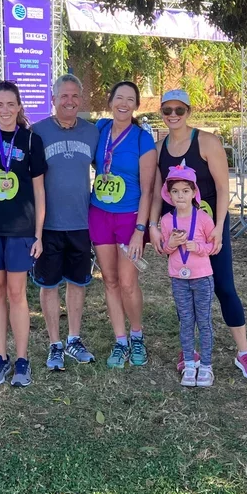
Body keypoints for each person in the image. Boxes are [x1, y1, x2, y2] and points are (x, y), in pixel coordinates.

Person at [149, 89, 247, 381]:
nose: (173, 116)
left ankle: (243, 352)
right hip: (177, 228)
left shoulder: (207, 142)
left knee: (224, 286)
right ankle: (190, 352)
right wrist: (152, 226)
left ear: (189, 111)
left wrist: (219, 229)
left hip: (209, 225)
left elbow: (224, 189)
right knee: (183, 286)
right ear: (161, 113)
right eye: (167, 111)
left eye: (179, 110)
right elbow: (155, 192)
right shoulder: (160, 146)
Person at [0, 81, 47, 387]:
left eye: (10, 104)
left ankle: (22, 359)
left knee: (16, 293)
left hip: (20, 228)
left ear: (19, 107)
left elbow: (40, 191)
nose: (5, 110)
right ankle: (0, 357)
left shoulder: (31, 140)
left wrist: (39, 233)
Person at [32, 74, 101, 370]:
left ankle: (74, 338)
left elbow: (109, 168)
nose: (70, 101)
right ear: (53, 99)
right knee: (48, 285)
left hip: (81, 222)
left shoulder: (92, 132)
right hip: (47, 225)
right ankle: (54, 344)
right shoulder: (37, 132)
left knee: (77, 282)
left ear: (81, 99)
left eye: (75, 96)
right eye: (64, 96)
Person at [90, 81, 157, 369]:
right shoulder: (100, 130)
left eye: (130, 100)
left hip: (130, 219)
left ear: (136, 106)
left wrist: (140, 230)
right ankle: (120, 340)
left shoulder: (143, 139)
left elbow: (148, 189)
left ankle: (137, 335)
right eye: (119, 97)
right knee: (110, 279)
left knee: (128, 282)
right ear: (110, 101)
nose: (124, 104)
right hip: (99, 213)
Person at [159, 164, 217, 387]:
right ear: (169, 194)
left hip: (202, 278)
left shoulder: (202, 218)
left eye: (185, 191)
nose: (180, 195)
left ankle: (206, 366)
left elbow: (213, 246)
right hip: (179, 278)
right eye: (175, 191)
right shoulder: (166, 220)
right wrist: (170, 244)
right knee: (185, 322)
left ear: (194, 193)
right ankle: (190, 364)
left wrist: (198, 246)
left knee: (203, 321)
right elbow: (165, 248)